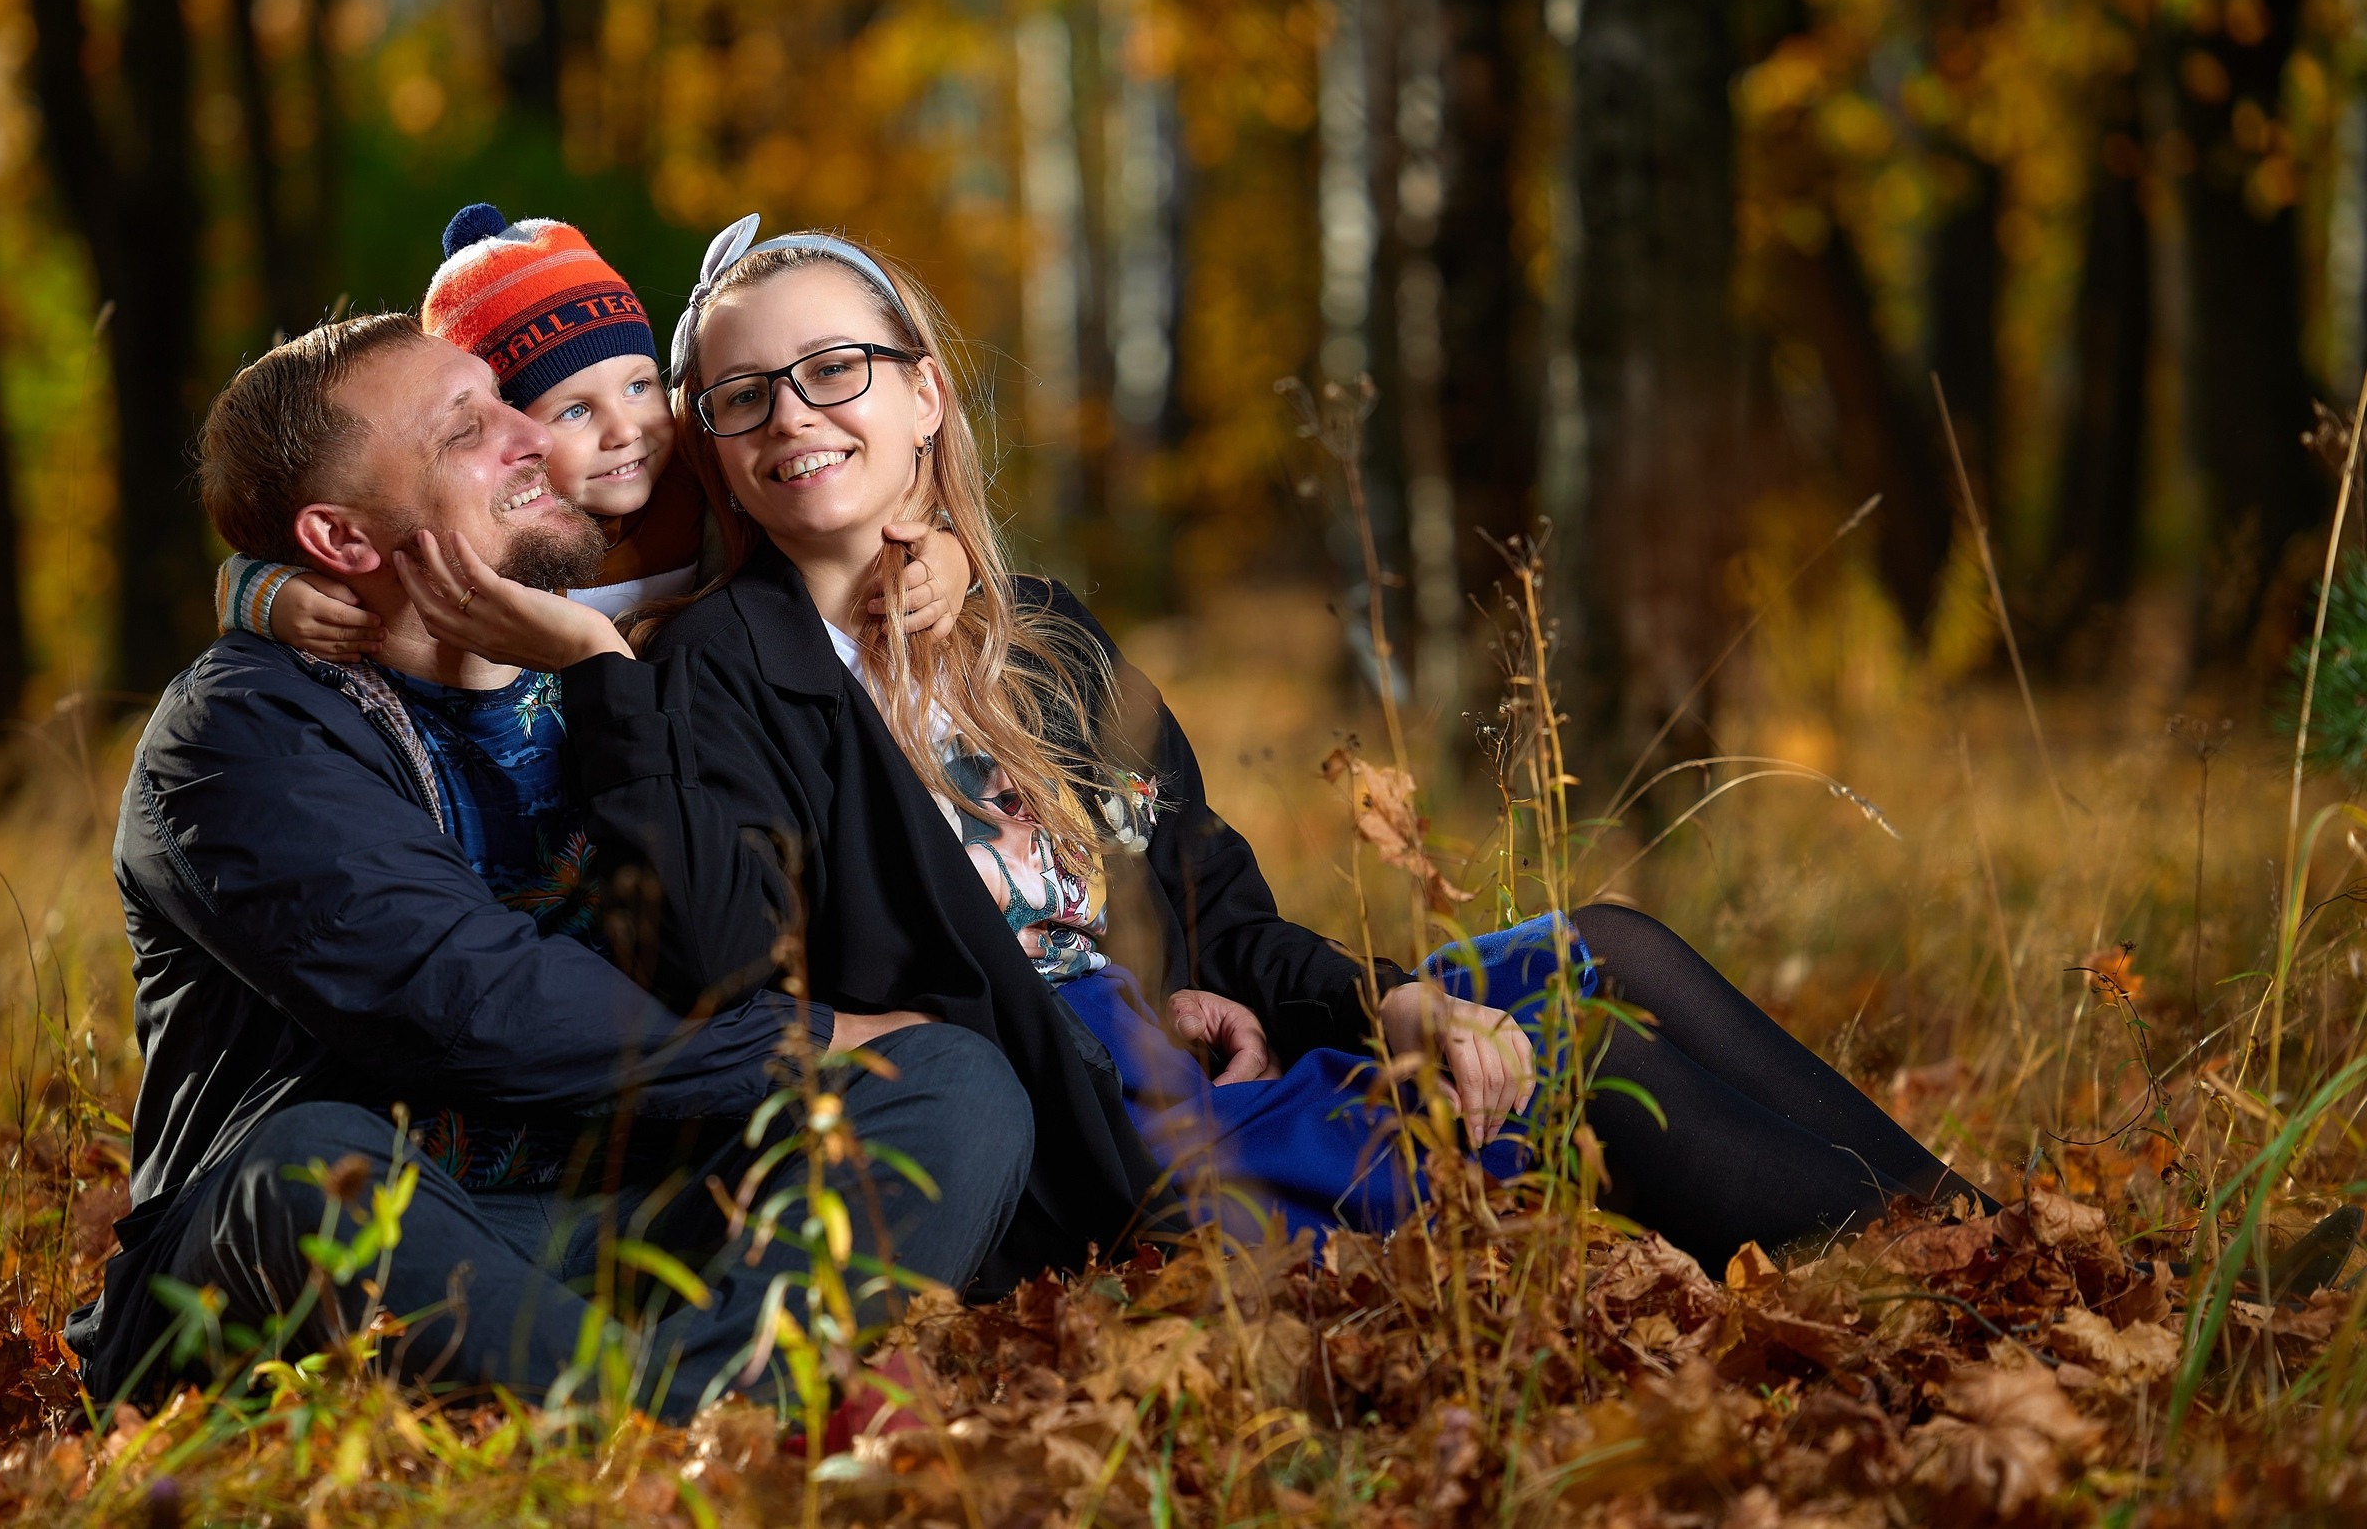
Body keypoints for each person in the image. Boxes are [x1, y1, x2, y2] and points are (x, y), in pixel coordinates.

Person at [397, 217, 1997, 1281]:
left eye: (837, 369)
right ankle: (1936, 1284)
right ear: (719, 460)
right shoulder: (713, 673)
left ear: (927, 396)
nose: (794, 413)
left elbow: (1219, 910)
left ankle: (1977, 1242)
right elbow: (729, 964)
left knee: (1614, 945)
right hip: (1092, 1118)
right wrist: (613, 664)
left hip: (1198, 1038)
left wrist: (1397, 997)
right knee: (1591, 1064)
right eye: (742, 397)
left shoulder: (1040, 631)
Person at [66, 311, 1032, 1417]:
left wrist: (938, 545)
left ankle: (681, 1416)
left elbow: (795, 500)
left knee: (953, 1081)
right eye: (462, 430)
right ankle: (700, 1427)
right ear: (339, 542)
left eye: (504, 400)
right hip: (367, 1249)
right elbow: (478, 1005)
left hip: (618, 1225)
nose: (531, 433)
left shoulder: (623, 659)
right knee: (307, 1169)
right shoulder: (238, 735)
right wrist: (804, 1044)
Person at [212, 204, 970, 662]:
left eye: (640, 386)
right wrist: (263, 593)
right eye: (574, 410)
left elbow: (828, 512)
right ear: (514, 434)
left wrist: (945, 553)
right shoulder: (504, 524)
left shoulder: (692, 468)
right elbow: (298, 549)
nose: (627, 430)